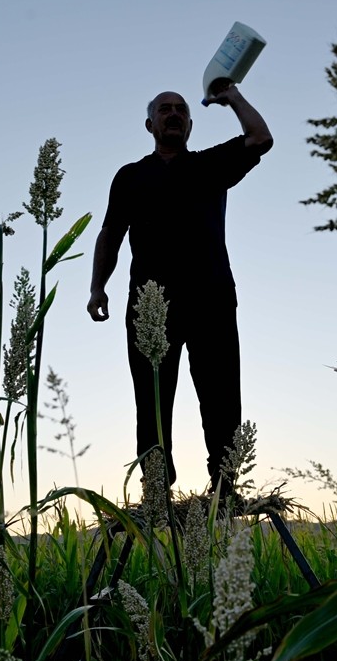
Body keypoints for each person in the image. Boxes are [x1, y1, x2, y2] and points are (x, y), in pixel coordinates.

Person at [87, 83, 272, 497]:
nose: (173, 114)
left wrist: (234, 99)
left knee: (222, 393)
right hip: (150, 304)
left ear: (190, 124)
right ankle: (156, 486)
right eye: (164, 109)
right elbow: (110, 232)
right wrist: (98, 287)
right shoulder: (131, 176)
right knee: (151, 397)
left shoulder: (210, 165)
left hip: (212, 299)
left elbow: (260, 138)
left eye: (181, 110)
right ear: (150, 124)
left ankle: (224, 485)